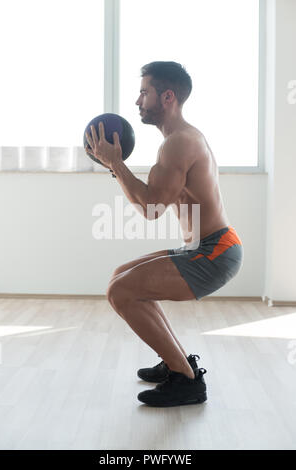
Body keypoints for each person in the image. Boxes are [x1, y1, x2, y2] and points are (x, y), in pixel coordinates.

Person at [85, 61, 243, 407]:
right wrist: (116, 167)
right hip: (202, 247)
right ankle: (179, 363)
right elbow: (152, 201)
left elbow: (151, 209)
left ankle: (186, 382)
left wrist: (116, 164)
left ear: (167, 96)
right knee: (121, 278)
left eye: (145, 92)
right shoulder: (178, 139)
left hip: (214, 252)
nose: (137, 101)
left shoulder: (179, 144)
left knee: (121, 291)